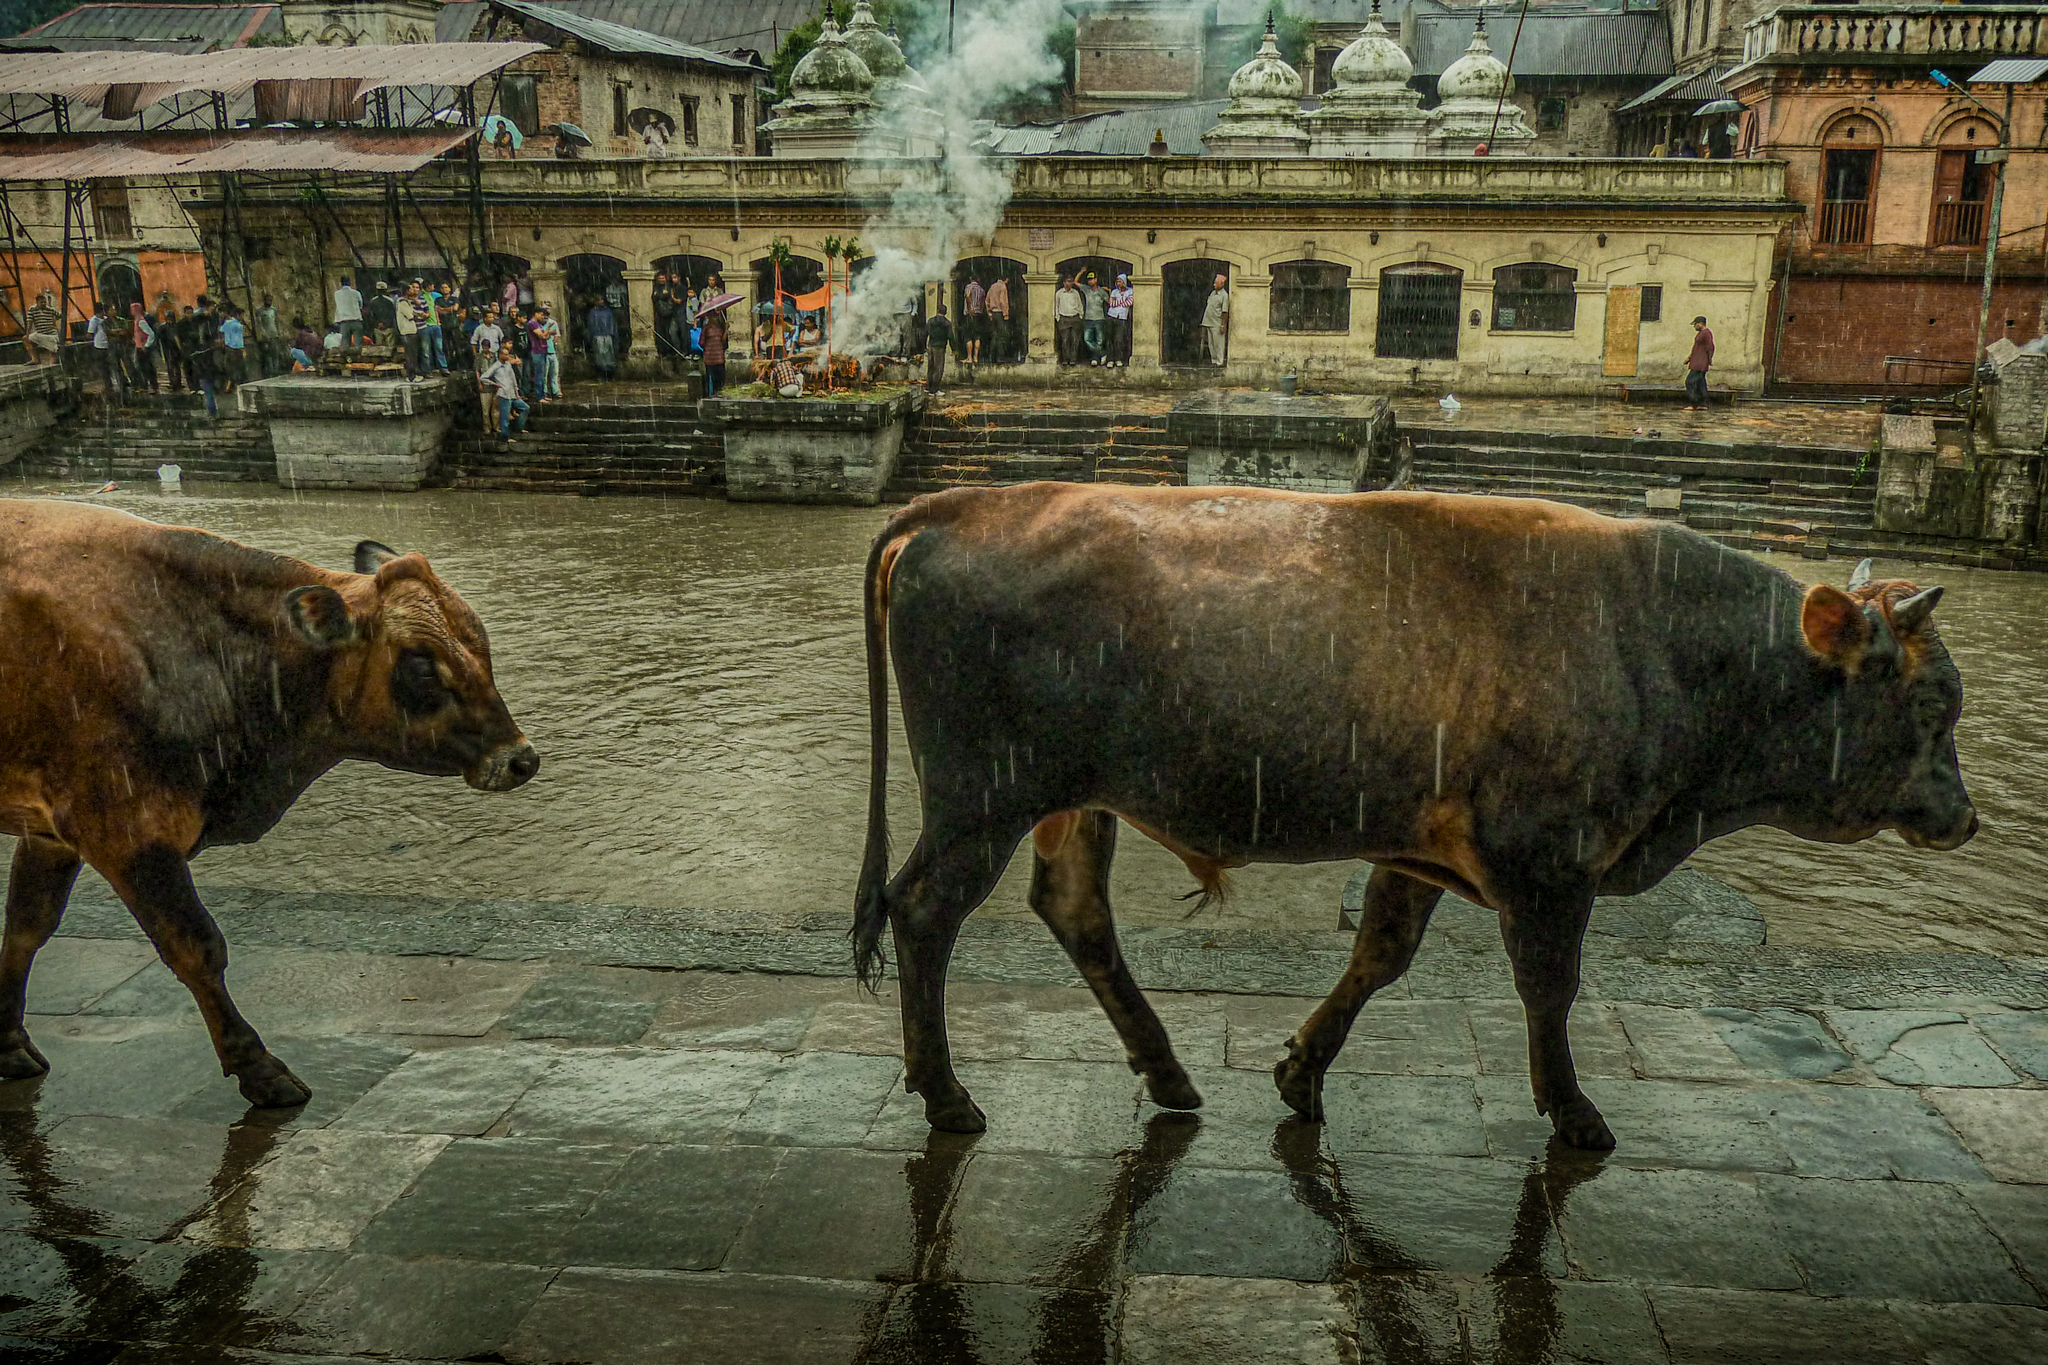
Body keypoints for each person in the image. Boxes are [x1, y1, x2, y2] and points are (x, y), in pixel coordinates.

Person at [479, 341, 528, 440]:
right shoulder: (495, 366)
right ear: (500, 355)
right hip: (503, 394)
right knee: (505, 417)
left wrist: (516, 391)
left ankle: (519, 427)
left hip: (512, 393)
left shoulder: (508, 365)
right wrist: (494, 384)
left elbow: (513, 378)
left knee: (525, 408)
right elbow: (483, 377)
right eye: (505, 354)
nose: (507, 356)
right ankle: (505, 437)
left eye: (508, 354)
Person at [87, 301, 122, 401]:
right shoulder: (94, 320)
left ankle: (118, 383)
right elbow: (90, 333)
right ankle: (108, 385)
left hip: (109, 345)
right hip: (99, 346)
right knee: (103, 368)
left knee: (114, 365)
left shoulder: (106, 320)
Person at [24, 289, 61, 365]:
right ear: (37, 303)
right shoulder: (32, 310)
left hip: (51, 334)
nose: (43, 304)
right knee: (25, 339)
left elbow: (59, 315)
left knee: (53, 349)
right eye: (41, 302)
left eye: (44, 302)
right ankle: (34, 359)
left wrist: (54, 319)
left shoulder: (50, 310)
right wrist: (27, 334)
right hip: (40, 334)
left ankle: (52, 364)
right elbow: (29, 322)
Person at [532, 303, 561, 400]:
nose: (544, 316)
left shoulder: (553, 322)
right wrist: (548, 331)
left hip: (552, 351)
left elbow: (556, 335)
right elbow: (544, 335)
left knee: (554, 373)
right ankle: (544, 393)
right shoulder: (536, 324)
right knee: (543, 375)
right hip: (542, 351)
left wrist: (552, 335)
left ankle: (555, 391)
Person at [1685, 315, 1715, 409]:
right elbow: (1696, 348)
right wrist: (1689, 358)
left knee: (1690, 381)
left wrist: (1709, 359)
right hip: (1697, 361)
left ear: (1701, 324)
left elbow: (1710, 347)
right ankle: (1703, 404)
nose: (1694, 327)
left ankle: (1694, 403)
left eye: (1695, 324)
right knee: (1700, 383)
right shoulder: (1702, 333)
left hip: (1700, 363)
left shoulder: (1706, 333)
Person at [699, 300, 728, 397]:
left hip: (719, 357)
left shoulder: (719, 327)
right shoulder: (706, 328)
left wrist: (726, 330)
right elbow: (701, 342)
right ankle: (711, 394)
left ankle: (719, 393)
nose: (714, 318)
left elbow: (722, 340)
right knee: (711, 378)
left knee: (720, 378)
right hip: (710, 358)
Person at [1079, 271, 1108, 365]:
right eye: (1088, 279)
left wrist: (1110, 290)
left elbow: (1110, 302)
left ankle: (1094, 358)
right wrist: (1081, 272)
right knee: (1087, 339)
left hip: (1100, 318)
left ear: (1096, 279)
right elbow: (1075, 282)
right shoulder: (1086, 289)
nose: (1090, 281)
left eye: (1091, 279)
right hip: (1088, 318)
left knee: (1099, 340)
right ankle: (1102, 353)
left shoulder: (1102, 292)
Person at [925, 302, 953, 396]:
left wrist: (924, 346)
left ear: (937, 311)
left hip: (931, 345)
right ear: (945, 312)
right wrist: (954, 349)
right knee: (938, 368)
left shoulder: (931, 321)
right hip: (940, 347)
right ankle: (935, 389)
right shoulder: (947, 323)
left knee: (931, 367)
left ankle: (929, 387)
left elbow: (926, 333)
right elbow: (950, 336)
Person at [1202, 273, 1230, 367]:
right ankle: (1213, 361)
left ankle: (1219, 361)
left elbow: (1225, 311)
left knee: (1219, 343)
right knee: (1211, 343)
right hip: (1208, 321)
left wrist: (1223, 325)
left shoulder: (1224, 296)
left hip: (1217, 323)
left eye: (1216, 283)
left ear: (1221, 284)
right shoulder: (1213, 293)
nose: (1214, 285)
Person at [394, 282, 422, 379]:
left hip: (411, 331)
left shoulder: (407, 302)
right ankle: (411, 376)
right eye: (410, 289)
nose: (412, 290)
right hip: (407, 331)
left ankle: (413, 374)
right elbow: (410, 316)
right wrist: (419, 315)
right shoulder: (402, 302)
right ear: (406, 291)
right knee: (410, 355)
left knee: (413, 354)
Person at [1053, 275, 1082, 365]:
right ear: (1064, 282)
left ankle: (1073, 359)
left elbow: (1079, 304)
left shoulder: (1075, 293)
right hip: (1064, 318)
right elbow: (1056, 306)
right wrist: (1057, 317)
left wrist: (1080, 315)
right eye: (1068, 281)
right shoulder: (1059, 293)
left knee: (1075, 340)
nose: (1070, 283)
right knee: (1065, 340)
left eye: (1071, 281)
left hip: (1074, 317)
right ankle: (1066, 359)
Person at [155, 300, 183, 391]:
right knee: (170, 366)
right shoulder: (163, 327)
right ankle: (173, 383)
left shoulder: (176, 326)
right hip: (167, 349)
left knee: (177, 366)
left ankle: (178, 382)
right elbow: (159, 338)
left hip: (176, 349)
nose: (170, 321)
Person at [587, 298, 618, 380]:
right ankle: (601, 373)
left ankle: (609, 373)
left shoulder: (608, 312)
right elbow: (591, 325)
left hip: (607, 335)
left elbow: (612, 324)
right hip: (598, 336)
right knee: (599, 355)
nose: (601, 301)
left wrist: (613, 334)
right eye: (599, 300)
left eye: (602, 300)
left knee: (609, 354)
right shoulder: (593, 312)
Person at [128, 302, 156, 393]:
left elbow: (151, 334)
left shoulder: (141, 321)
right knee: (142, 367)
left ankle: (152, 386)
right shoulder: (137, 320)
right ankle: (145, 385)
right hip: (139, 346)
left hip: (143, 348)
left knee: (147, 367)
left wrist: (146, 345)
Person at [421, 280, 448, 372]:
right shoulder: (422, 296)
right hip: (426, 325)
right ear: (428, 286)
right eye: (432, 285)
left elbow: (435, 309)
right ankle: (428, 369)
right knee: (426, 350)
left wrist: (438, 321)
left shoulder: (433, 296)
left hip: (435, 324)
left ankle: (443, 368)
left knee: (439, 348)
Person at [1107, 273, 1134, 368]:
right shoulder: (1114, 292)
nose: (1119, 283)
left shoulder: (1130, 291)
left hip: (1122, 318)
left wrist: (1118, 302)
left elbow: (1130, 302)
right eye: (1117, 281)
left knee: (1119, 339)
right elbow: (1111, 303)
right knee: (1110, 339)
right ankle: (1110, 359)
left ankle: (1118, 359)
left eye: (1120, 281)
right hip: (1111, 316)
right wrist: (1123, 302)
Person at [985, 273, 1010, 363]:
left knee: (994, 335)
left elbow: (987, 300)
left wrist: (989, 312)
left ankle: (991, 356)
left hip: (993, 313)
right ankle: (1000, 356)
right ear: (1006, 279)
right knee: (1002, 335)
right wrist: (1005, 313)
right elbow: (1003, 301)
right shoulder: (1003, 287)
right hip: (1000, 313)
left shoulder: (992, 286)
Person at [219, 305, 246, 390]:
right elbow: (237, 338)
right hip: (234, 348)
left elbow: (222, 333)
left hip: (231, 347)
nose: (242, 317)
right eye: (241, 315)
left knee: (233, 367)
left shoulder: (230, 323)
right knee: (236, 367)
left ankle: (231, 384)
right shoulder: (234, 324)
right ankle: (234, 384)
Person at [254, 293, 281, 377]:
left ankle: (276, 371)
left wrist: (278, 333)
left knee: (275, 354)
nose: (269, 302)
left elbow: (276, 322)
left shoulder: (273, 310)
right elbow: (259, 324)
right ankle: (270, 372)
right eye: (268, 300)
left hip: (274, 334)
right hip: (266, 336)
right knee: (268, 355)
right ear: (264, 301)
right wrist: (264, 334)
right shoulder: (260, 311)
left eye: (271, 300)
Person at [334, 275, 364, 346]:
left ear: (341, 283)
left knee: (345, 345)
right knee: (358, 344)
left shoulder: (337, 294)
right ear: (350, 282)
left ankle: (348, 357)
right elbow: (361, 305)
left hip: (344, 322)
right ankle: (358, 356)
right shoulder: (356, 293)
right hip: (356, 320)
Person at [962, 274, 986, 364]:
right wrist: (981, 309)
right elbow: (983, 301)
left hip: (969, 314)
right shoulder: (981, 290)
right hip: (978, 313)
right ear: (978, 279)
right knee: (977, 336)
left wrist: (969, 309)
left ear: (970, 278)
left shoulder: (969, 287)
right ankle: (976, 357)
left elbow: (968, 296)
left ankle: (969, 357)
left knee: (968, 336)